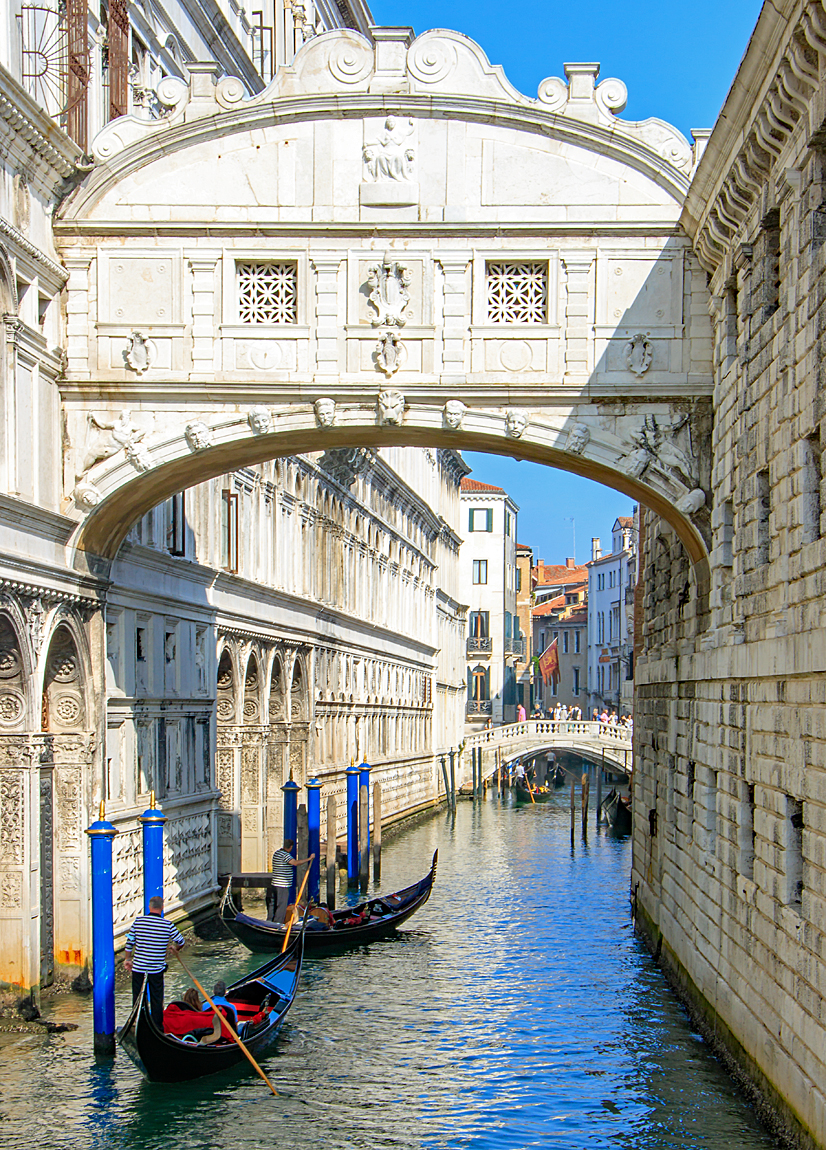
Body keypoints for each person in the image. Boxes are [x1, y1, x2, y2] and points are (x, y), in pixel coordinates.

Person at [124, 894, 186, 1028]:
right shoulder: (168, 925)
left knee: (138, 998)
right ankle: (157, 1026)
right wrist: (175, 949)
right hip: (156, 968)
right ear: (162, 908)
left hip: (139, 967)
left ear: (149, 907)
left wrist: (128, 959)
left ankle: (139, 1024)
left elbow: (129, 943)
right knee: (157, 998)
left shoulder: (138, 921)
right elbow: (181, 941)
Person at [267, 838, 314, 923]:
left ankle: (269, 922)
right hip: (282, 885)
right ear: (291, 847)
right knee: (281, 906)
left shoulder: (277, 853)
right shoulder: (285, 855)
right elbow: (295, 863)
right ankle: (278, 924)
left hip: (274, 884)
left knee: (273, 905)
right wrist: (309, 859)